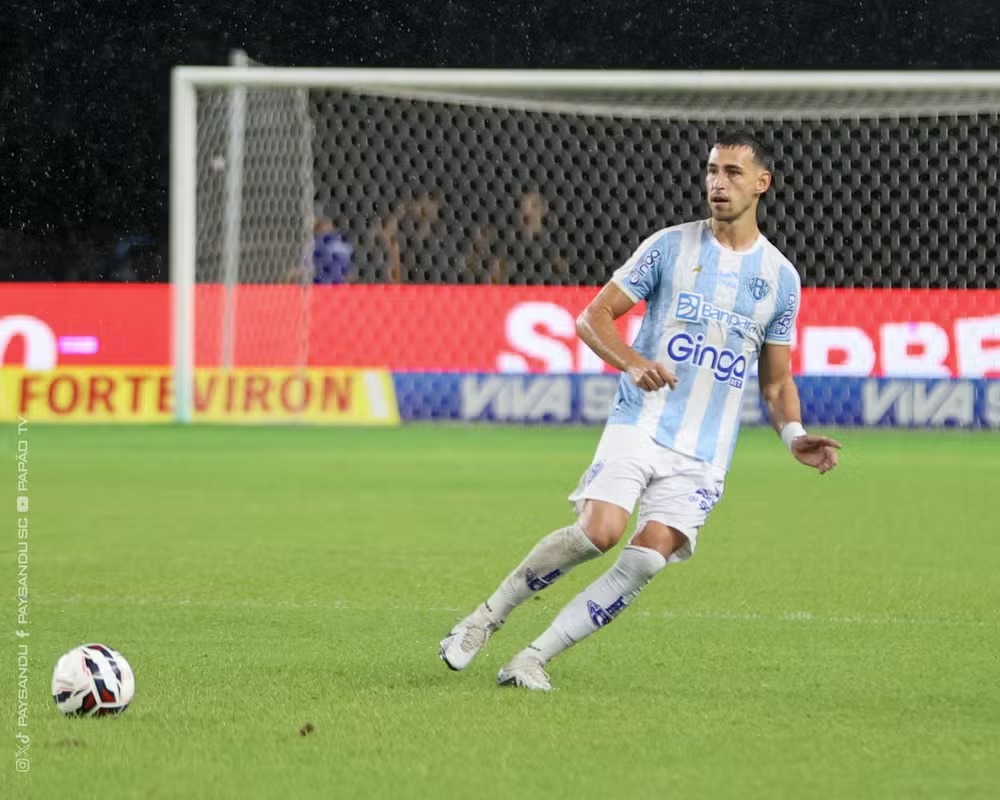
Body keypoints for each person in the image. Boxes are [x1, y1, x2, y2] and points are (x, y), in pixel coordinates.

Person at [439, 131, 842, 691]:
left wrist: (793, 434)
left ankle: (531, 658)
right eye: (711, 171)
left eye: (731, 172)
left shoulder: (781, 279)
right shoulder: (669, 247)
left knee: (648, 559)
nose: (717, 183)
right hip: (643, 420)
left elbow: (776, 383)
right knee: (601, 531)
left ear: (762, 184)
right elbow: (592, 319)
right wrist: (630, 361)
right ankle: (485, 618)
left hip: (705, 451)